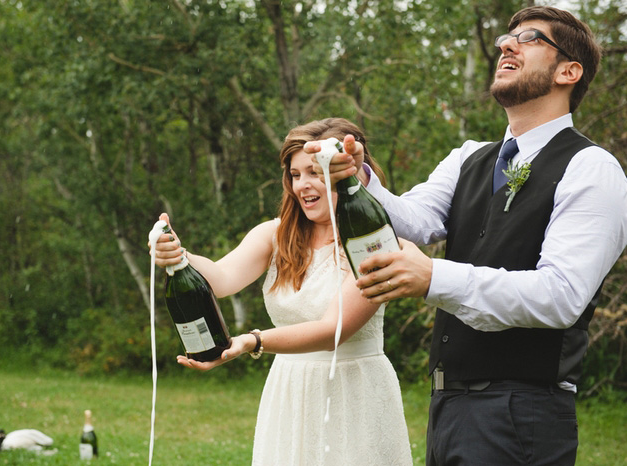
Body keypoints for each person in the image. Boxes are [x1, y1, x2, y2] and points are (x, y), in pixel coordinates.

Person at [310, 6, 627, 466]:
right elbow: (415, 219)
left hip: (522, 412)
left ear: (569, 71)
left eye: (530, 38)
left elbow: (562, 295)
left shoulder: (592, 169)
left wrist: (433, 277)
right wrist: (355, 178)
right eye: (506, 37)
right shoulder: (470, 156)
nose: (506, 44)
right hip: (448, 406)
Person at [150, 118, 413, 465]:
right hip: (289, 392)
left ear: (347, 170)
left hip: (356, 393)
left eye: (316, 172)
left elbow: (333, 330)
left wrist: (253, 341)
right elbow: (222, 278)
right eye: (295, 174)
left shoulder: (373, 241)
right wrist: (177, 255)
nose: (303, 184)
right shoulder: (275, 235)